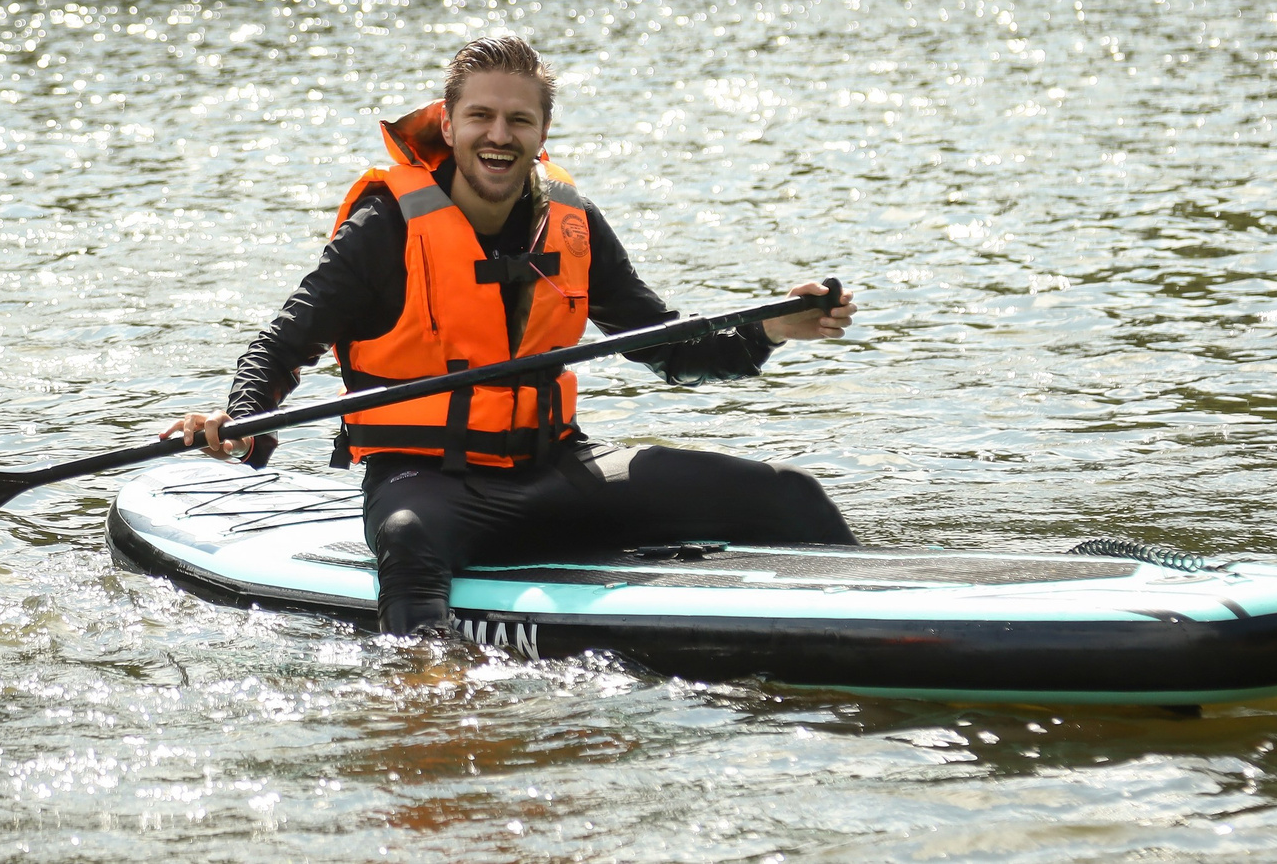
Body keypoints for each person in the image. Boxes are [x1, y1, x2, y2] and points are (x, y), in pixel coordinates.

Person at [166, 34, 860, 638]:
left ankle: (876, 618)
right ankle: (429, 697)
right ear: (449, 121)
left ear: (541, 131)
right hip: (431, 485)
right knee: (407, 541)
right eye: (481, 116)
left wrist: (769, 329)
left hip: (559, 469)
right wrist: (246, 423)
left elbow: (666, 345)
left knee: (790, 495)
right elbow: (282, 346)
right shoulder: (386, 227)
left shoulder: (571, 219)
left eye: (518, 119)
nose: (499, 134)